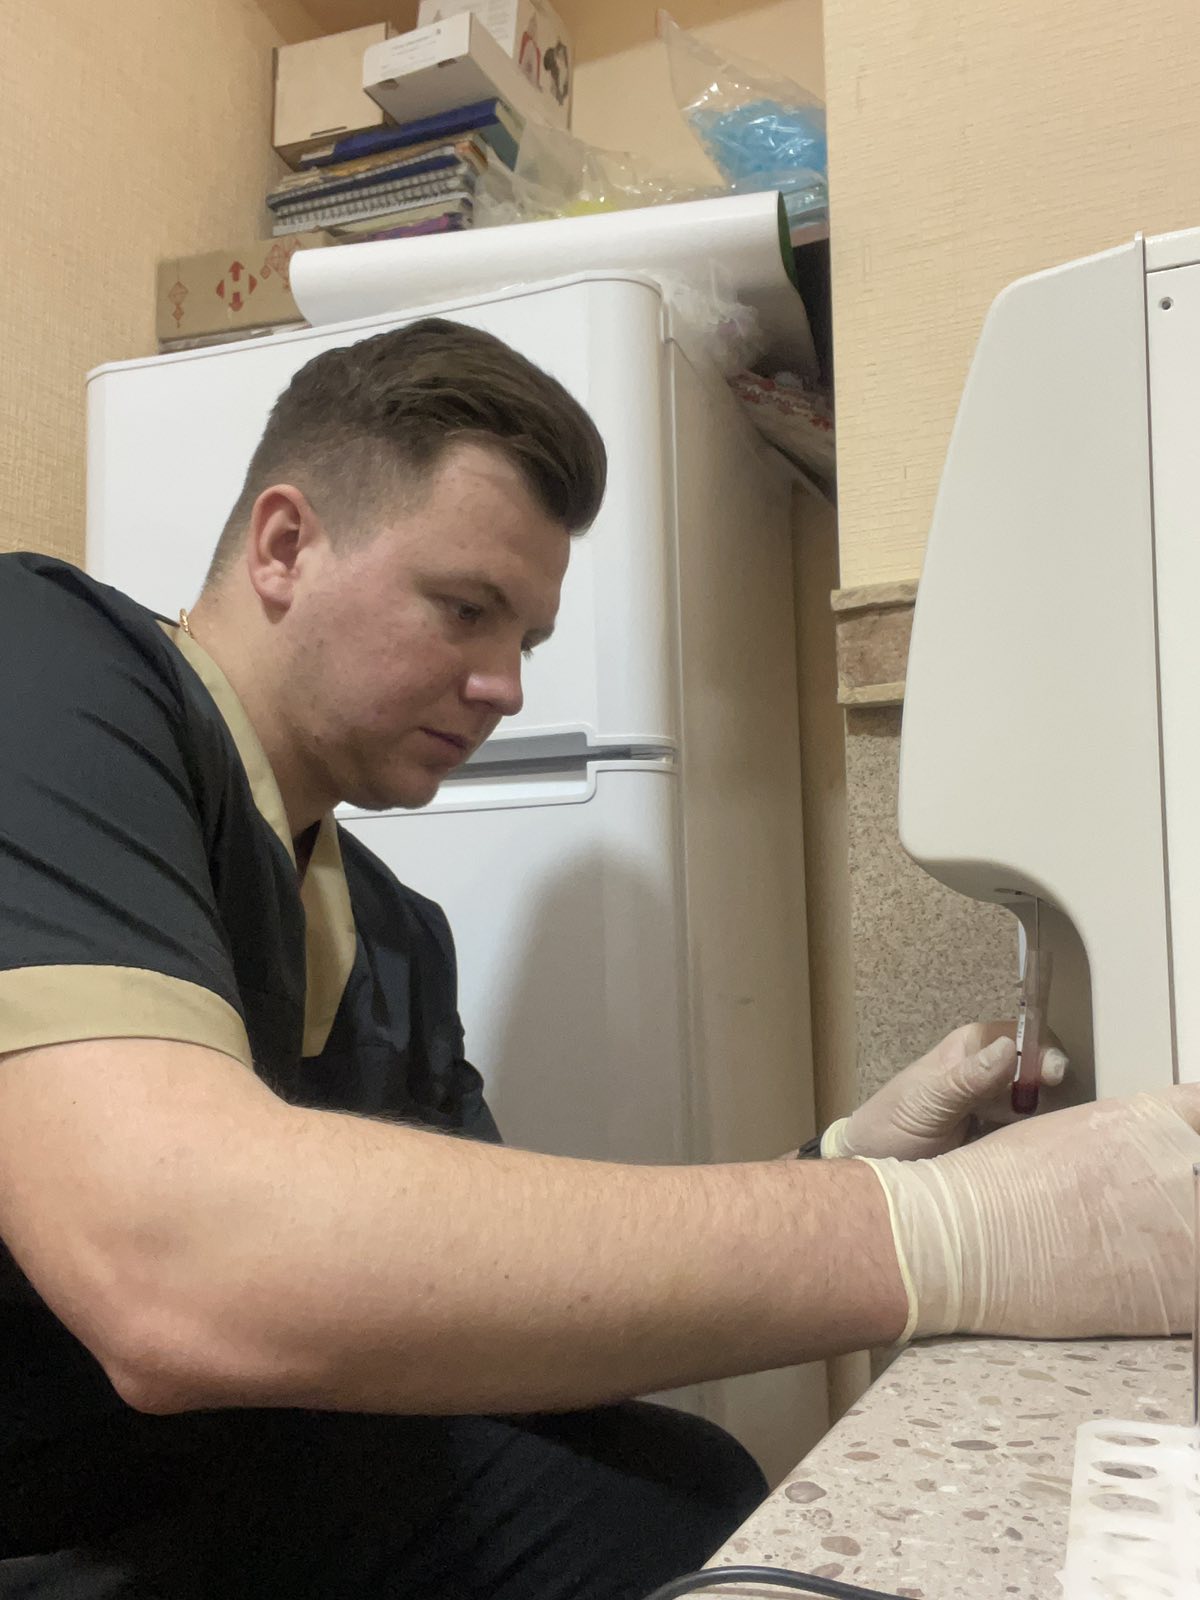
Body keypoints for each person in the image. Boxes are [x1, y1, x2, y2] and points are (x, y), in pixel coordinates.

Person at [0, 318, 1196, 1600]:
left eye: (526, 639)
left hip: (250, 1485)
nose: (506, 686)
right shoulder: (50, 666)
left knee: (683, 1487)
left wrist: (851, 1162)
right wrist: (960, 1232)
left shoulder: (396, 935)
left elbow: (493, 1307)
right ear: (286, 546)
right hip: (58, 1526)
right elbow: (172, 1269)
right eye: (466, 609)